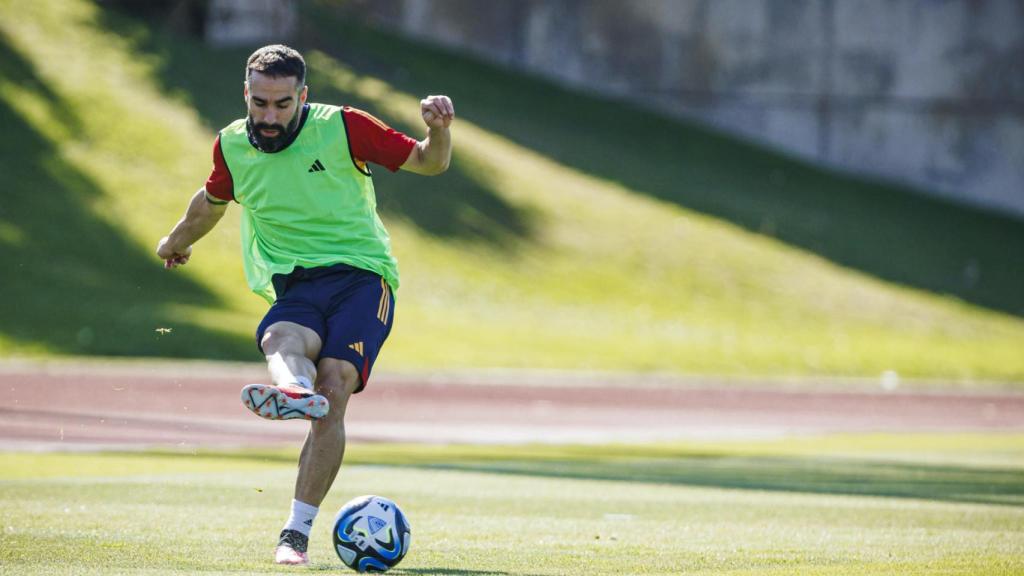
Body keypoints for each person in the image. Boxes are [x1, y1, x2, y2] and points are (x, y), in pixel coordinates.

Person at [156, 44, 453, 566]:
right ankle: (293, 389)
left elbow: (429, 162)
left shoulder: (344, 127)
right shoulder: (231, 145)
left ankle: (295, 531)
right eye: (260, 103)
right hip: (295, 283)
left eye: (282, 105)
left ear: (303, 97)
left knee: (335, 383)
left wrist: (440, 129)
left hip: (363, 277)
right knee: (281, 338)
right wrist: (177, 241)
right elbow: (211, 202)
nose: (269, 117)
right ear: (246, 94)